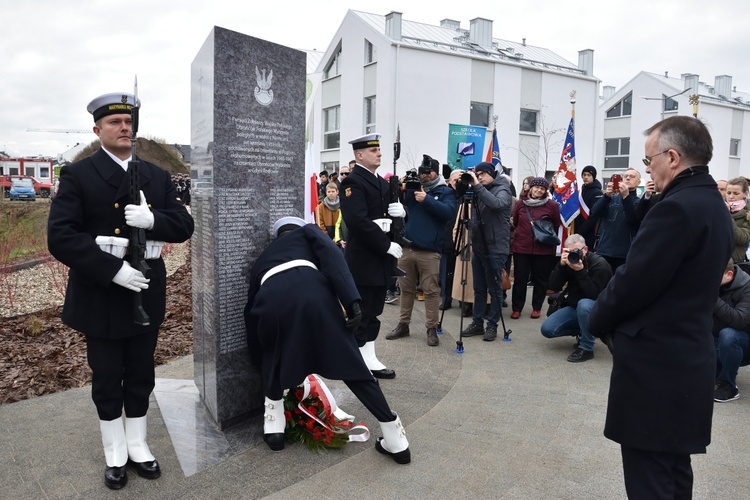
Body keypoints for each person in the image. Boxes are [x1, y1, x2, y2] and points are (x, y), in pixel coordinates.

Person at [47, 92, 194, 490]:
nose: (124, 127)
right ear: (97, 130)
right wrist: (112, 270)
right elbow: (60, 237)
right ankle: (115, 450)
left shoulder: (157, 176)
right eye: (114, 123)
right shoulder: (78, 175)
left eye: (129, 122)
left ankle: (139, 443)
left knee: (142, 371)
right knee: (108, 374)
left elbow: (183, 226)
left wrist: (154, 218)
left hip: (144, 290)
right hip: (101, 293)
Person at [588, 115, 734, 499]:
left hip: (657, 366)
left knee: (650, 479)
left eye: (649, 158)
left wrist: (596, 317)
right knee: (673, 475)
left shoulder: (675, 208)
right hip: (689, 360)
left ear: (672, 156)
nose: (647, 166)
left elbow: (633, 282)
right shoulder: (712, 204)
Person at [243, 217, 410, 463]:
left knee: (274, 358)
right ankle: (396, 441)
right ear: (299, 228)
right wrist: (352, 302)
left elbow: (250, 312)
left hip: (271, 298)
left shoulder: (263, 258)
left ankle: (274, 431)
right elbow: (333, 257)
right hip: (315, 294)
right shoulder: (308, 232)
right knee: (353, 367)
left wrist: (259, 356)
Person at [339, 133, 404, 379]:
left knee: (374, 309)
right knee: (362, 311)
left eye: (379, 149)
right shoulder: (353, 182)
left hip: (380, 258)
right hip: (365, 258)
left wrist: (401, 212)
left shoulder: (382, 183)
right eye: (373, 150)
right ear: (359, 155)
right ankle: (356, 360)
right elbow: (357, 221)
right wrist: (384, 245)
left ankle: (369, 358)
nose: (379, 153)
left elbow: (387, 217)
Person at [385, 155, 457, 346]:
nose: (424, 175)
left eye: (428, 172)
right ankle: (403, 324)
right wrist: (399, 189)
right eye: (422, 172)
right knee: (406, 290)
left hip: (429, 251)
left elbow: (449, 213)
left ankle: (431, 329)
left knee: (431, 291)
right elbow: (402, 209)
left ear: (436, 172)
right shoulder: (412, 188)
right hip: (407, 248)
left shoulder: (445, 192)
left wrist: (427, 199)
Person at [458, 162, 513, 341]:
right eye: (477, 174)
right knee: (479, 288)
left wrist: (478, 186)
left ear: (491, 174)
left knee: (495, 289)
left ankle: (492, 325)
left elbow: (497, 204)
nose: (479, 177)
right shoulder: (481, 189)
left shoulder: (502, 189)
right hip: (480, 246)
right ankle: (477, 323)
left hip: (496, 248)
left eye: (482, 174)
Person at [540, 234, 612, 362]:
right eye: (569, 251)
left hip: (598, 309)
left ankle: (587, 348)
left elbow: (595, 296)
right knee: (547, 329)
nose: (574, 254)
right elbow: (553, 287)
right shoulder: (568, 261)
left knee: (584, 304)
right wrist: (560, 266)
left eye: (576, 251)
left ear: (585, 249)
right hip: (575, 307)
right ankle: (584, 332)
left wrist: (580, 271)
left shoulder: (600, 265)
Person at [509, 176, 560, 319]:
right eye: (536, 187)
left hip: (543, 249)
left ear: (545, 191)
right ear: (531, 188)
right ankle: (517, 308)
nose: (539, 190)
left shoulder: (552, 206)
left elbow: (555, 225)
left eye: (542, 188)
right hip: (521, 248)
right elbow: (516, 222)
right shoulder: (520, 204)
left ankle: (536, 307)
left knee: (541, 279)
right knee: (520, 279)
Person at [588, 168, 641, 272]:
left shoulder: (638, 202)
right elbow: (593, 213)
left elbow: (632, 219)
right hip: (604, 250)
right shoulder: (611, 198)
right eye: (626, 176)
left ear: (638, 182)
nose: (628, 178)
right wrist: (606, 196)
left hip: (624, 253)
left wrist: (626, 196)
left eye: (632, 176)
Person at [713, 258, 750, 402]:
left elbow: (740, 320)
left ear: (729, 274)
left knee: (728, 335)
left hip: (742, 344)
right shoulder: (712, 284)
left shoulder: (747, 287)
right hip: (714, 339)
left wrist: (713, 298)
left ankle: (729, 386)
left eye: (714, 276)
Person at [574, 165, 603, 249]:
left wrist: (580, 232)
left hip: (589, 233)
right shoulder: (581, 191)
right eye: (584, 175)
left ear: (593, 177)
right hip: (577, 231)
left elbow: (594, 216)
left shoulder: (597, 193)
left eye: (589, 175)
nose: (586, 177)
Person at [724, 177, 750, 263]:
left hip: (733, 261)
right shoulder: (717, 206)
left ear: (745, 194)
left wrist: (727, 216)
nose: (731, 196)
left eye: (736, 193)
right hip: (714, 256)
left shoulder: (747, 213)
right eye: (728, 193)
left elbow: (742, 238)